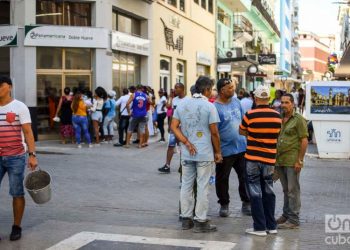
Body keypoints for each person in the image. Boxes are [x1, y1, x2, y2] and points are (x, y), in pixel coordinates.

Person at [171, 76, 222, 233]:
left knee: (186, 185)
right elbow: (214, 132)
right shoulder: (209, 106)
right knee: (202, 186)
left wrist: (186, 143)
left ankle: (186, 220)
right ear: (206, 89)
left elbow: (174, 127)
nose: (212, 92)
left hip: (187, 153)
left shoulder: (182, 103)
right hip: (204, 153)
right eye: (211, 89)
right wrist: (218, 152)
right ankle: (201, 221)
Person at [239, 85, 282, 236]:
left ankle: (259, 227)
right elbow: (278, 133)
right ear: (268, 99)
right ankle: (271, 226)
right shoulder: (277, 116)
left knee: (255, 191)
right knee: (269, 190)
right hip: (269, 159)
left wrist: (253, 135)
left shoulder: (249, 115)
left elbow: (241, 131)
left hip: (252, 158)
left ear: (256, 99)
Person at [0, 75, 38, 241]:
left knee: (16, 192)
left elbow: (28, 132)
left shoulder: (19, 107)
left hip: (16, 157)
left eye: (1, 85)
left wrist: (32, 154)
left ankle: (16, 226)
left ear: (9, 87)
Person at [214, 78, 251, 217]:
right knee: (222, 178)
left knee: (245, 177)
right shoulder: (215, 107)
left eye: (233, 87)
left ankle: (246, 202)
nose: (233, 90)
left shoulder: (236, 102)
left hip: (242, 147)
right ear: (222, 90)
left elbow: (244, 122)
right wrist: (217, 151)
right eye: (229, 88)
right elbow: (214, 131)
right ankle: (224, 204)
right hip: (225, 150)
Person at [275, 93, 308, 229]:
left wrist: (299, 160)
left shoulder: (299, 119)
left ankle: (294, 219)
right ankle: (286, 215)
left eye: (286, 102)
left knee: (292, 190)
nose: (283, 105)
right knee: (285, 190)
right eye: (282, 102)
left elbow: (304, 140)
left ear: (293, 104)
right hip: (280, 160)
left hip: (292, 160)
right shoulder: (280, 118)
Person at [158, 83, 189, 173]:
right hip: (174, 127)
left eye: (176, 88)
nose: (174, 89)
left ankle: (182, 166)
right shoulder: (174, 100)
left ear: (182, 89)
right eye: (174, 88)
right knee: (171, 145)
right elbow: (171, 111)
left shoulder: (188, 100)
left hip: (183, 128)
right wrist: (170, 125)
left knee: (183, 147)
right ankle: (167, 166)